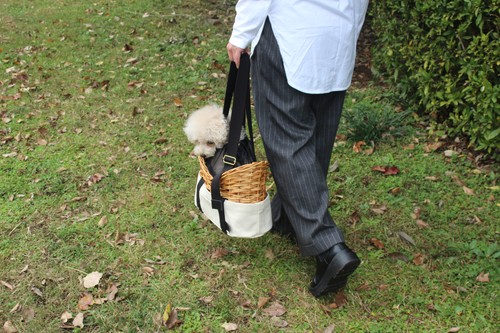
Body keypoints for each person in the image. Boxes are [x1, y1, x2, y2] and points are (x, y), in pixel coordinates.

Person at [226, 1, 369, 297]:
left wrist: (241, 34)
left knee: (286, 139)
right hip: (339, 36)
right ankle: (287, 217)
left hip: (290, 35)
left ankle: (328, 247)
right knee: (318, 137)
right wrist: (348, 32)